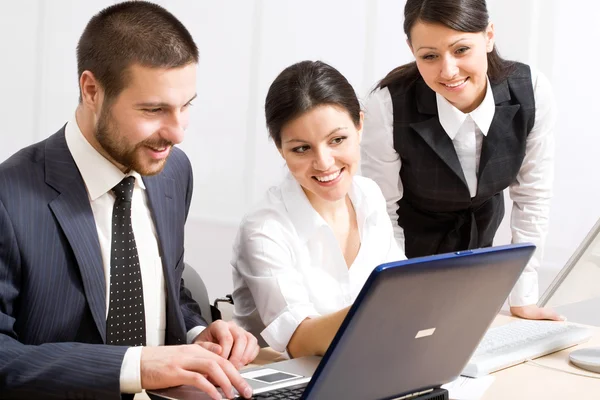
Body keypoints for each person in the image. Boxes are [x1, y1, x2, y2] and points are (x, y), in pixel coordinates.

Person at [0, 2, 258, 399]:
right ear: (92, 90)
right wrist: (136, 366)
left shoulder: (173, 171)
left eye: (186, 106)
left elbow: (169, 286)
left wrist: (197, 332)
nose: (177, 133)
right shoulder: (8, 198)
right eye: (154, 110)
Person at [360, 0, 562, 321]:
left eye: (461, 50)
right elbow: (381, 212)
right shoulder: (387, 106)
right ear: (412, 50)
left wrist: (522, 297)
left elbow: (532, 197)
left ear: (489, 36)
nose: (448, 71)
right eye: (429, 56)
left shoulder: (531, 91)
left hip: (481, 267)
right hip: (410, 259)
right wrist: (398, 290)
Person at [231, 60, 405, 359]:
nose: (324, 163)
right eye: (301, 148)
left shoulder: (369, 196)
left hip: (368, 364)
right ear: (279, 147)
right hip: (291, 382)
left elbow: (403, 290)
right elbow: (299, 340)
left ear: (360, 125)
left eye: (337, 140)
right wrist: (380, 309)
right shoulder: (264, 228)